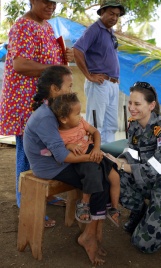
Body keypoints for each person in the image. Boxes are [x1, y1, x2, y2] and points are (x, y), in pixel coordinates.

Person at [23, 65, 116, 265]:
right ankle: (90, 236)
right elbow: (62, 155)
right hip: (51, 166)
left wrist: (89, 150)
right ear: (55, 89)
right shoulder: (45, 117)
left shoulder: (57, 108)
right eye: (69, 85)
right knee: (98, 177)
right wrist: (90, 157)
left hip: (62, 159)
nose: (72, 90)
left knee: (105, 175)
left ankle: (95, 230)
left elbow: (73, 138)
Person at [0, 0, 74, 215]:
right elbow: (20, 64)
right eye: (46, 1)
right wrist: (55, 69)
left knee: (43, 150)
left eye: (53, 2)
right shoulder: (23, 26)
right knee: (27, 152)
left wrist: (64, 59)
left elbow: (48, 60)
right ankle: (27, 204)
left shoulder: (45, 26)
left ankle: (44, 193)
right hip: (25, 103)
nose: (51, 6)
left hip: (42, 103)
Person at [107, 81, 161, 253]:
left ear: (151, 105)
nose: (131, 107)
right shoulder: (135, 125)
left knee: (142, 244)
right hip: (148, 183)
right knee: (114, 175)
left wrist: (123, 166)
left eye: (137, 104)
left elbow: (153, 171)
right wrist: (117, 162)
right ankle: (141, 210)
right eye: (130, 102)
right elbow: (131, 154)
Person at [50, 92, 120, 226]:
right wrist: (69, 145)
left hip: (93, 152)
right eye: (77, 114)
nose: (80, 116)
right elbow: (60, 150)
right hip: (81, 159)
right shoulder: (58, 133)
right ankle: (84, 204)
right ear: (64, 119)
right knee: (93, 175)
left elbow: (95, 132)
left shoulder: (81, 122)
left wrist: (97, 148)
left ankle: (114, 208)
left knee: (115, 177)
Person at [73, 0, 125, 144]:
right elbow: (77, 50)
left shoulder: (110, 32)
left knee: (111, 126)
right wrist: (89, 76)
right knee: (96, 125)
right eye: (111, 13)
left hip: (112, 84)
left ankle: (107, 159)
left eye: (117, 15)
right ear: (102, 12)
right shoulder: (94, 29)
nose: (114, 17)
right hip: (99, 84)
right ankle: (94, 159)